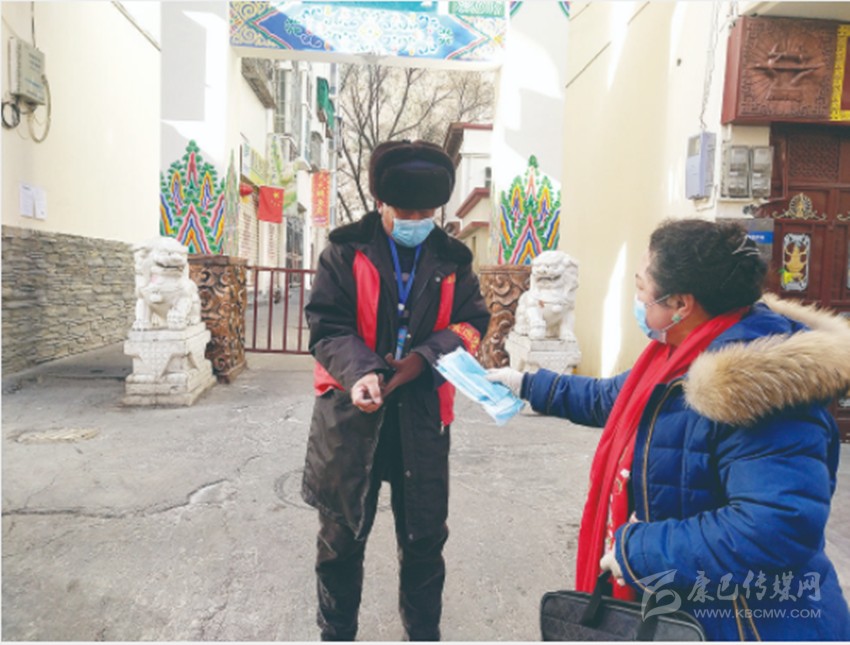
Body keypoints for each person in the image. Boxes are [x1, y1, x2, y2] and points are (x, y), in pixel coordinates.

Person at [487, 218, 850, 640]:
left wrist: (639, 549)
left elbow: (777, 528)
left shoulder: (755, 388)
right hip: (687, 609)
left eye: (641, 287)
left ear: (680, 304)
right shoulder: (677, 357)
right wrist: (527, 384)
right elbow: (611, 398)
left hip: (749, 623)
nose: (637, 299)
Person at [301, 140, 490, 641]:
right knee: (341, 541)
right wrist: (362, 371)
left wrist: (424, 359)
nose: (416, 221)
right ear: (380, 202)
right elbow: (326, 327)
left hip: (423, 419)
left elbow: (472, 323)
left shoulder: (453, 260)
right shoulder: (344, 252)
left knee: (424, 542)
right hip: (350, 418)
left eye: (427, 213)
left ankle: (423, 635)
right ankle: (336, 633)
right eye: (406, 212)